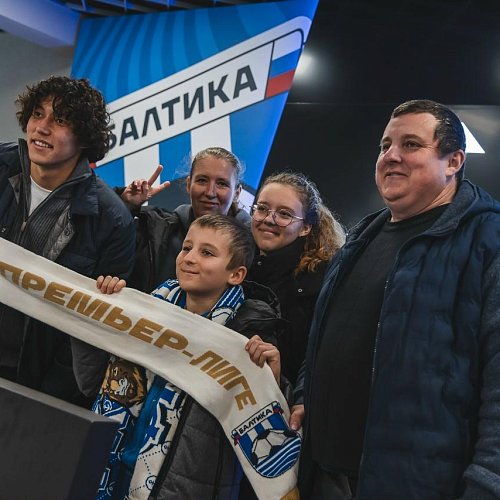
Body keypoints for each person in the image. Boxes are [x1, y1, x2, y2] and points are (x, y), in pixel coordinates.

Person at [297, 99, 500, 499]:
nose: (391, 156)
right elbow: (324, 338)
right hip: (323, 475)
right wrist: (306, 393)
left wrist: (486, 484)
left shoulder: (488, 242)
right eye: (385, 145)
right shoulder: (361, 237)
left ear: (454, 161)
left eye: (410, 144)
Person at [91, 214, 283, 499]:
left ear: (236, 274)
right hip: (114, 469)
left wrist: (270, 378)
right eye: (186, 248)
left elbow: (255, 422)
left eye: (207, 253)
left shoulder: (247, 335)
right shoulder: (147, 308)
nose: (190, 258)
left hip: (183, 485)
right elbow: (89, 377)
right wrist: (101, 308)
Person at [0, 76, 135, 405]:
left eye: (60, 120)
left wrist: (47, 400)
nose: (42, 128)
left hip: (29, 384)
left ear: (85, 137)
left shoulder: (112, 220)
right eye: (38, 114)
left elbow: (93, 327)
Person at [247, 172, 345, 386]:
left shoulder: (321, 283)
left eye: (284, 214)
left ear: (306, 227)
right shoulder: (236, 263)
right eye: (262, 208)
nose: (268, 219)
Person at [122, 147, 249, 293]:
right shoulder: (153, 229)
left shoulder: (252, 247)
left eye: (222, 184)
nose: (210, 192)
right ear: (189, 184)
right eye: (202, 180)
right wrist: (126, 207)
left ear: (237, 193)